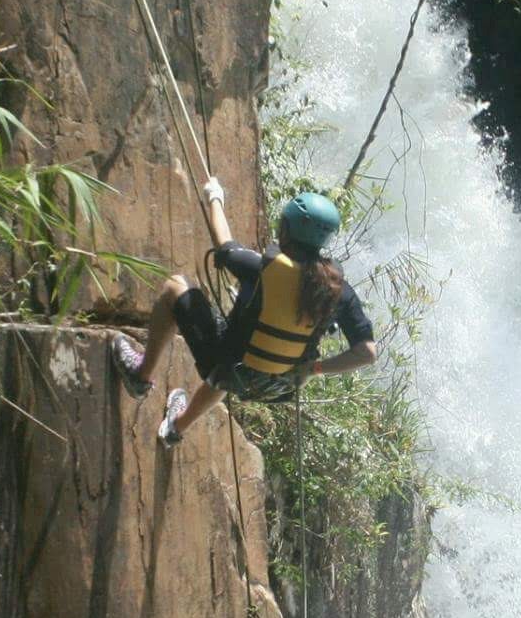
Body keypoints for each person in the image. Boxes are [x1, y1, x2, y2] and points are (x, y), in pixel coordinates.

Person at [111, 176, 377, 446]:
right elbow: (366, 353)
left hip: (232, 368)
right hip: (278, 387)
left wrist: (215, 197)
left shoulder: (264, 267)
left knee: (175, 286)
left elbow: (224, 245)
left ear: (286, 229)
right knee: (231, 360)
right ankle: (175, 428)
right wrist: (314, 368)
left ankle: (140, 376)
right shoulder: (339, 291)